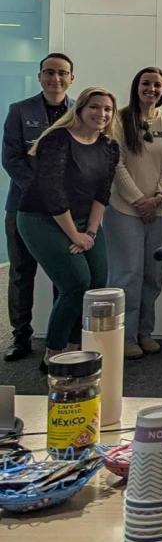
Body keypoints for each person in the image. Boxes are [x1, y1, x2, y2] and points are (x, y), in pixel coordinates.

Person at [16, 87, 119, 370]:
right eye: (95, 107)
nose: (102, 114)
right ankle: (54, 352)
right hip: (42, 219)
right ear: (81, 109)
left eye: (107, 109)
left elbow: (103, 193)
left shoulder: (109, 146)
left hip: (86, 222)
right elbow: (53, 194)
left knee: (97, 283)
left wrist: (91, 234)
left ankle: (76, 348)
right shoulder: (57, 139)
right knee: (75, 283)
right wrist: (75, 235)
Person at [105, 67, 162, 360]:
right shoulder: (118, 120)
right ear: (137, 86)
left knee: (153, 274)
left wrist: (158, 197)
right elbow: (117, 163)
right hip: (125, 209)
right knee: (128, 273)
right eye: (146, 83)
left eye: (157, 85)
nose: (152, 89)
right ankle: (124, 335)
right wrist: (139, 200)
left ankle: (144, 331)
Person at [2, 53, 73, 362]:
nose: (55, 78)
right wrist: (43, 188)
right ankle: (20, 336)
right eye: (49, 72)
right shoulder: (20, 111)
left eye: (62, 73)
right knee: (21, 272)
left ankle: (60, 339)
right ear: (40, 75)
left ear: (72, 77)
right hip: (23, 206)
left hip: (67, 210)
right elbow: (11, 158)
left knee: (65, 275)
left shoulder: (81, 112)